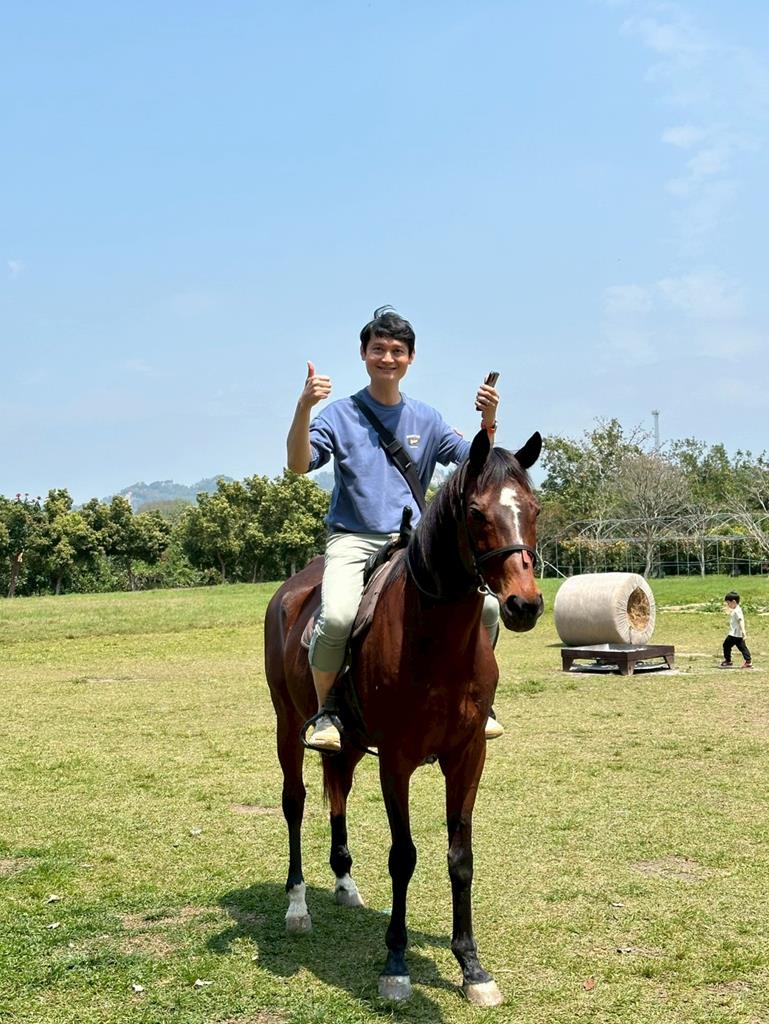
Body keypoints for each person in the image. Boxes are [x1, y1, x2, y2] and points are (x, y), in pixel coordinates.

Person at [286, 306, 504, 751]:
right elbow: (297, 465)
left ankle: (476, 698)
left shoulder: (427, 418)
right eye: (379, 349)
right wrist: (305, 406)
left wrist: (488, 421)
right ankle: (327, 711)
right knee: (339, 616)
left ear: (411, 358)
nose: (388, 358)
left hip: (416, 544)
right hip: (354, 538)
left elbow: (477, 465)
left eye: (397, 351)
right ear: (363, 354)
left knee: (488, 609)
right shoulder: (339, 415)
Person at [720, 591, 752, 669]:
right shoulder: (737, 609)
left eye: (728, 603)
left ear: (734, 602)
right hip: (737, 634)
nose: (728, 605)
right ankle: (748, 661)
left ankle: (728, 660)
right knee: (742, 647)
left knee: (726, 645)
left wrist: (743, 631)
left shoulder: (737, 611)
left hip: (734, 634)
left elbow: (741, 620)